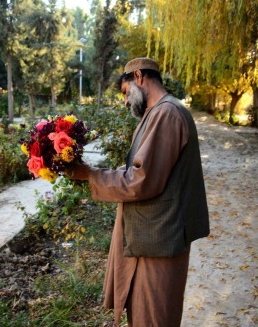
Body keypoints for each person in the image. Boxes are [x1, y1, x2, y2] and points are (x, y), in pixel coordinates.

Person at [67, 57, 210, 326]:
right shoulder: (156, 113)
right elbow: (140, 168)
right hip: (153, 237)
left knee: (155, 317)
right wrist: (95, 174)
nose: (124, 101)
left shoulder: (167, 114)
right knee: (144, 313)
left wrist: (90, 175)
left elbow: (141, 181)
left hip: (160, 241)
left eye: (124, 92)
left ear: (139, 77)